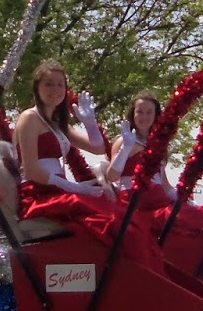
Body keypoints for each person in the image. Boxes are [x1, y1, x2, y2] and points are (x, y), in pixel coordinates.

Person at [13, 59, 164, 270]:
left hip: (57, 190)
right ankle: (124, 273)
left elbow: (97, 148)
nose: (55, 90)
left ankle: (140, 272)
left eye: (60, 85)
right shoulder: (29, 118)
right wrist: (76, 188)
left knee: (123, 219)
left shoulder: (56, 123)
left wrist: (90, 123)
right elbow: (31, 170)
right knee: (111, 221)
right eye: (48, 84)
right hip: (39, 193)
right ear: (37, 87)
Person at [109, 89, 203, 272]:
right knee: (188, 224)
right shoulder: (125, 140)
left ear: (156, 115)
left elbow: (164, 184)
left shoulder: (158, 144)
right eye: (140, 111)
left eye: (149, 112)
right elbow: (112, 176)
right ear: (132, 114)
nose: (144, 116)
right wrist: (125, 148)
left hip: (159, 201)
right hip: (139, 205)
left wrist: (185, 199)